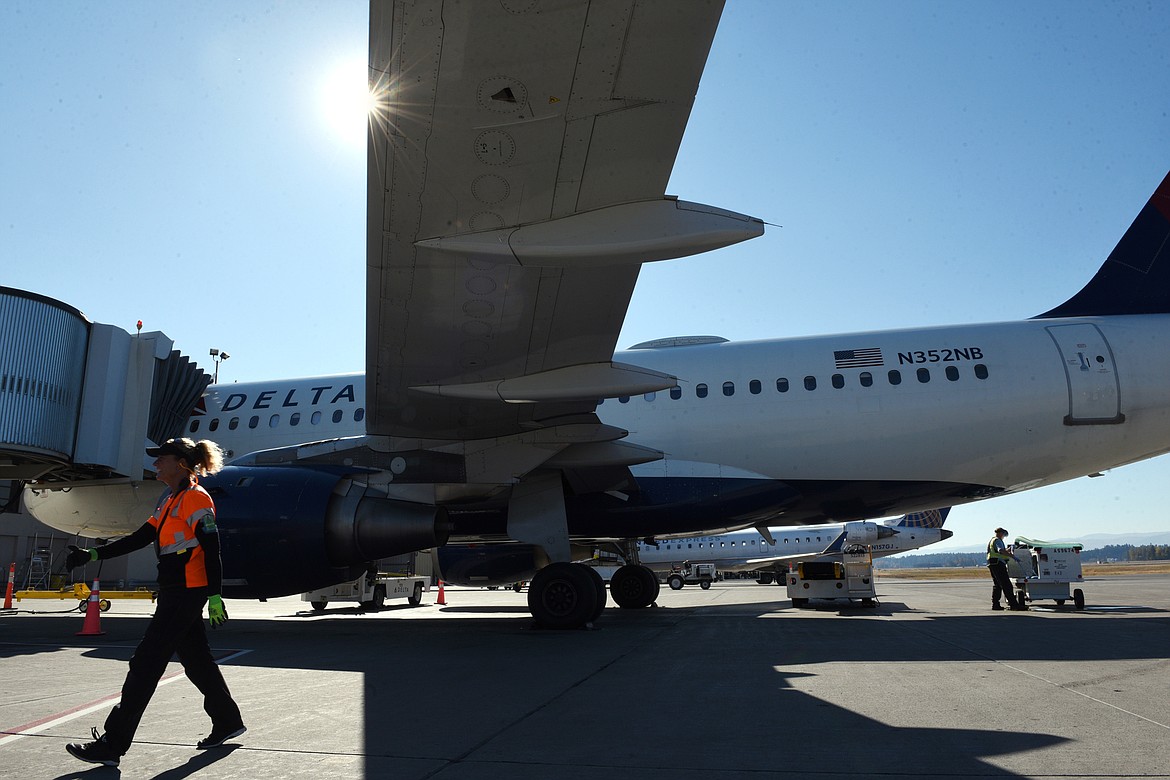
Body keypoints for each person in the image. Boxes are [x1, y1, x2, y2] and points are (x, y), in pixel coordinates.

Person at [64, 438, 245, 767]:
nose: (156, 464)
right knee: (197, 661)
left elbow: (211, 547)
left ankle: (113, 743)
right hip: (176, 590)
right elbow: (141, 537)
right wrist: (92, 553)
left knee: (145, 664)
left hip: (187, 592)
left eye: (161, 458)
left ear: (180, 463)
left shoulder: (195, 499)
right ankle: (228, 722)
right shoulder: (170, 500)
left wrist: (215, 595)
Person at [986, 527, 1026, 611]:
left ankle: (995, 604)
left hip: (992, 563)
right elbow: (1001, 551)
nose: (1004, 536)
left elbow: (1000, 551)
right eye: (1004, 534)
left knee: (997, 585)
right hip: (998, 564)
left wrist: (1009, 549)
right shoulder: (997, 541)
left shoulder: (993, 540)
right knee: (1006, 585)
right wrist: (1012, 556)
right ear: (1001, 533)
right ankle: (1014, 605)